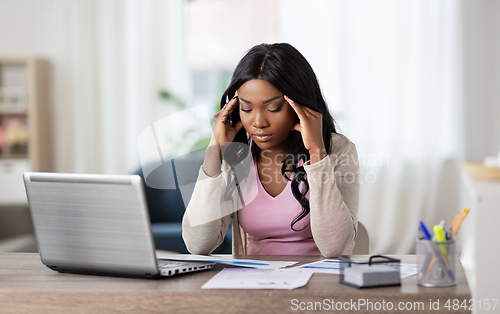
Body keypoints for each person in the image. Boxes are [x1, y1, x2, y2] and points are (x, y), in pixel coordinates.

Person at [182, 43, 359, 257]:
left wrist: (317, 155)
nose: (258, 122)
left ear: (300, 105)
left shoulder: (338, 151)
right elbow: (197, 244)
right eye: (246, 108)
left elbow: (334, 248)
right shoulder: (237, 156)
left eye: (273, 108)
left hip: (319, 285)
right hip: (254, 285)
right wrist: (214, 150)